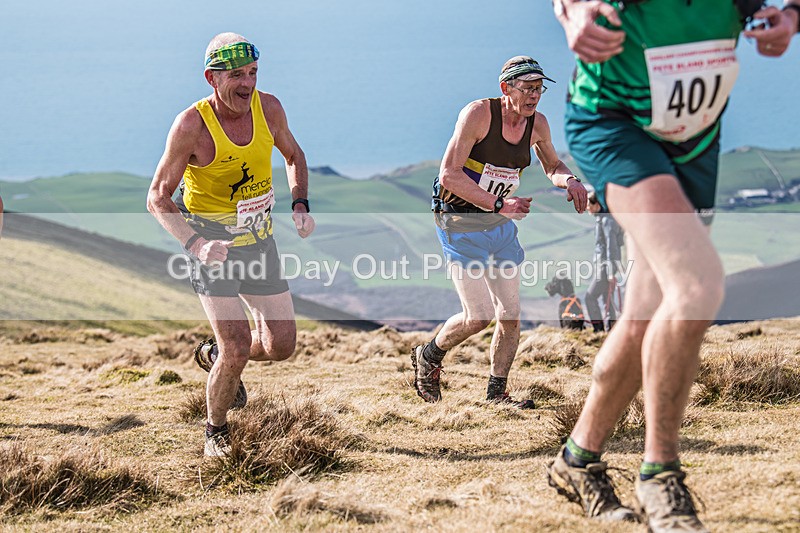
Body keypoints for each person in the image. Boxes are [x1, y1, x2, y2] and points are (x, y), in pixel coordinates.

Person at [547, 1, 798, 531]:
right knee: (696, 285)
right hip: (613, 124)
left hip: (695, 136)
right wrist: (571, 12)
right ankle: (660, 475)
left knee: (650, 305)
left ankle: (577, 459)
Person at [146, 33, 315, 457]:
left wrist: (299, 202)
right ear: (211, 77)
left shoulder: (269, 108)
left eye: (253, 73)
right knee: (237, 346)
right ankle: (216, 432)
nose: (247, 84)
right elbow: (157, 198)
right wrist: (197, 244)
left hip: (258, 243)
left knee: (281, 347)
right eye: (237, 75)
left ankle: (211, 355)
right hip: (211, 247)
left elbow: (294, 156)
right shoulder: (191, 126)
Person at [411, 56, 587, 408]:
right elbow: (449, 175)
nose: (535, 96)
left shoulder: (537, 125)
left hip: (498, 226)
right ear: (506, 88)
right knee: (477, 316)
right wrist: (498, 204)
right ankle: (428, 356)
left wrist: (569, 180)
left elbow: (552, 164)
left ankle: (497, 393)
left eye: (539, 89)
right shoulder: (477, 115)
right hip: (459, 222)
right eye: (527, 88)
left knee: (510, 314)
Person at [584, 191, 623, 333]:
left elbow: (611, 247)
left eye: (589, 203)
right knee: (607, 298)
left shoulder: (607, 221)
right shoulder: (604, 219)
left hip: (605, 267)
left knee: (590, 297)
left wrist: (610, 272)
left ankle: (598, 330)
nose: (587, 207)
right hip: (605, 266)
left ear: (597, 204)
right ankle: (610, 330)